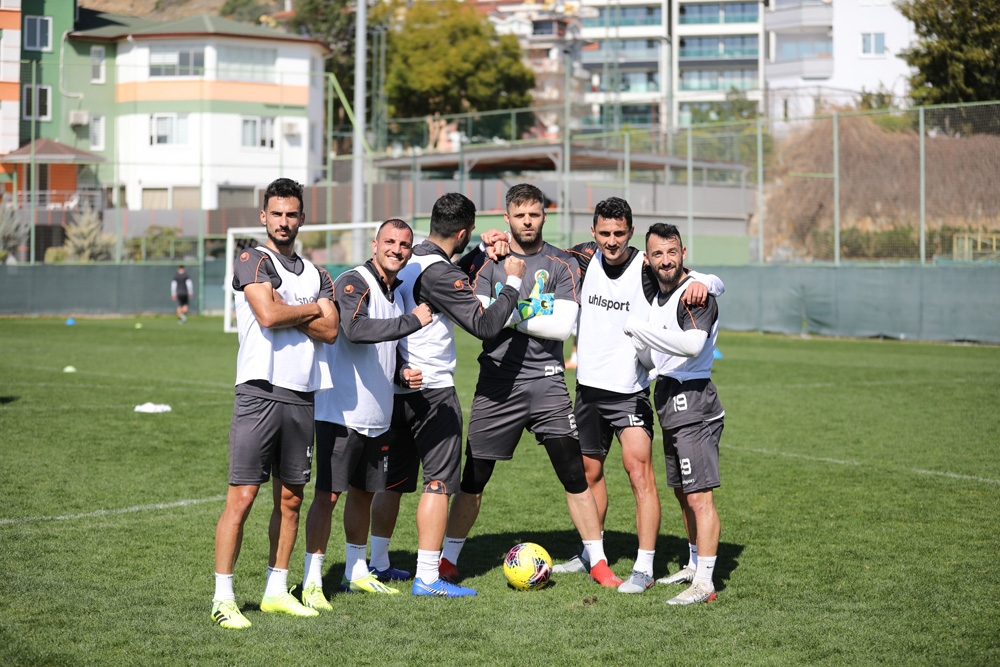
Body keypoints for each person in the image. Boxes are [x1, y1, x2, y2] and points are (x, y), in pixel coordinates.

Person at [440, 183, 622, 588]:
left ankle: (598, 562)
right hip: (496, 384)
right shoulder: (490, 262)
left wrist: (507, 310)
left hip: (547, 383)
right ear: (507, 218)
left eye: (534, 214)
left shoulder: (561, 263)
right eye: (519, 215)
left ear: (544, 216)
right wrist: (534, 308)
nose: (527, 221)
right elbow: (480, 321)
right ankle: (448, 560)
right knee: (474, 477)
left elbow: (561, 327)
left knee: (574, 474)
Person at [554, 197, 724, 594]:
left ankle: (644, 567)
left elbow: (688, 276)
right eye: (604, 233)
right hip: (588, 389)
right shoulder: (582, 259)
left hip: (629, 391)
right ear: (593, 232)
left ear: (630, 232)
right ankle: (591, 553)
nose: (611, 241)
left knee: (639, 476)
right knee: (589, 474)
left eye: (619, 233)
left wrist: (709, 282)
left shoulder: (645, 267)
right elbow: (540, 255)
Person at [367, 193, 526, 597]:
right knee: (437, 483)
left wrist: (480, 254)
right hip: (433, 392)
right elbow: (485, 325)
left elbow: (446, 272)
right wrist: (513, 281)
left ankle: (378, 563)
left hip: (396, 386)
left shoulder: (410, 258)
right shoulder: (440, 273)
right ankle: (427, 577)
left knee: (391, 483)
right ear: (463, 231)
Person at [212, 178, 339, 630]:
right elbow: (267, 315)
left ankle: (276, 591)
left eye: (291, 214)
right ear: (264, 216)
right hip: (259, 392)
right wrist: (310, 309)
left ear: (302, 218)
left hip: (302, 395)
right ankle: (223, 598)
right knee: (243, 496)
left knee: (290, 500)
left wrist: (291, 308)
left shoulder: (319, 274)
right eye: (276, 214)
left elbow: (331, 331)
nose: (284, 222)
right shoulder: (253, 259)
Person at [300, 218, 433, 610]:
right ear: (375, 244)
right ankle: (311, 581)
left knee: (363, 493)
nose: (396, 249)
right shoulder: (354, 281)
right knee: (328, 496)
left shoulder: (395, 293)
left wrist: (401, 373)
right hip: (341, 413)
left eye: (404, 244)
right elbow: (355, 330)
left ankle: (356, 572)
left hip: (377, 414)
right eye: (389, 241)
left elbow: (382, 350)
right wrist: (413, 321)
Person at [623, 222, 725, 605]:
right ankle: (694, 563)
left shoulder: (695, 295)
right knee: (683, 493)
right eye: (657, 254)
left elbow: (693, 343)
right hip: (669, 397)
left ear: (683, 253)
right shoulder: (659, 290)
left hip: (693, 399)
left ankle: (706, 583)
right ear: (648, 259)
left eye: (672, 252)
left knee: (699, 497)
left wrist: (638, 329)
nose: (665, 260)